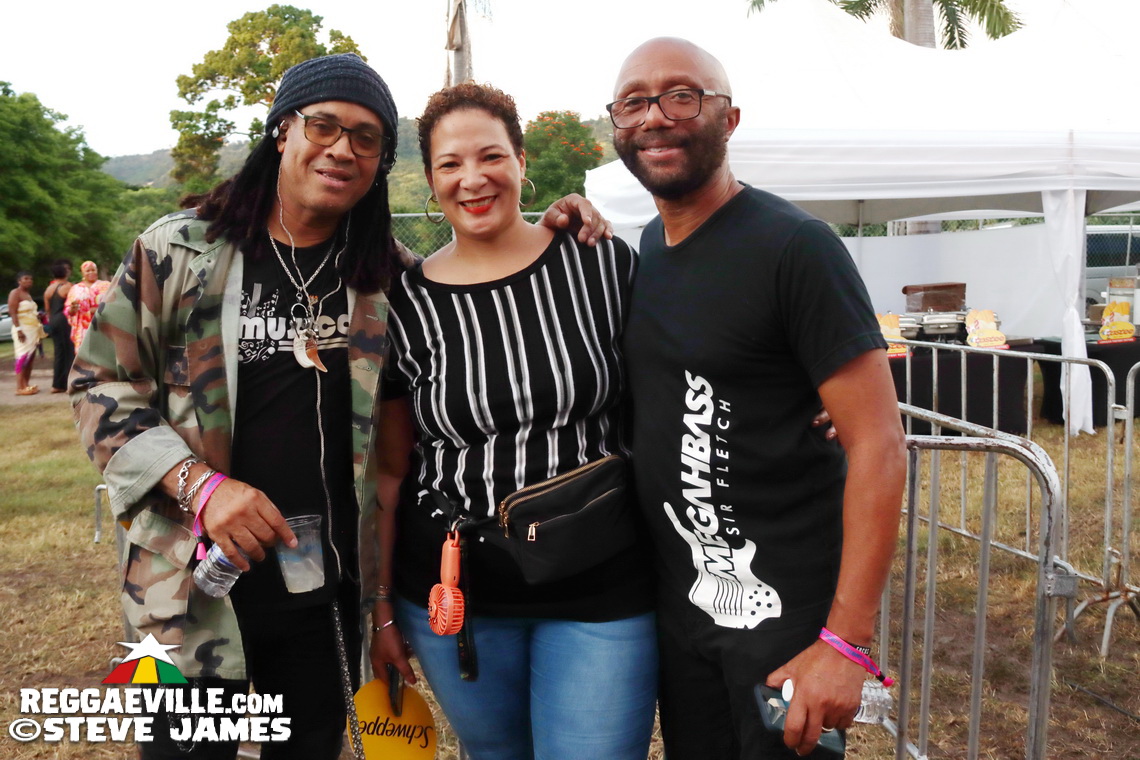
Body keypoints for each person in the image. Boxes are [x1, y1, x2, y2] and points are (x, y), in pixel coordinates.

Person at [71, 54, 608, 760]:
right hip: (188, 590)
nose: (342, 149)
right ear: (281, 132)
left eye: (366, 138)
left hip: (321, 596)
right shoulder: (181, 252)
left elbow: (478, 288)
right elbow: (99, 382)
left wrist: (559, 228)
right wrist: (199, 487)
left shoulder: (388, 279)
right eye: (323, 126)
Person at [609, 38, 907, 759]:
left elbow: (878, 443)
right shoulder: (643, 250)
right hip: (684, 621)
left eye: (684, 95)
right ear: (616, 125)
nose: (657, 116)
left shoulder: (796, 247)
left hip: (789, 624)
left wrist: (846, 642)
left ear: (729, 118)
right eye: (635, 101)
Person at [370, 83, 657, 760]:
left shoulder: (598, 262)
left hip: (602, 579)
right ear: (430, 178)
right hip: (457, 593)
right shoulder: (404, 306)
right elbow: (389, 471)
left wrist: (798, 398)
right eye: (450, 164)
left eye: (490, 155)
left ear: (521, 161)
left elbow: (684, 368)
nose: (473, 178)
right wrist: (381, 606)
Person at [9, 271, 45, 396]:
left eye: (30, 279)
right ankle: (19, 386)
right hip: (22, 330)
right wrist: (19, 329)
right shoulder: (15, 293)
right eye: (26, 278)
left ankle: (26, 384)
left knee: (30, 358)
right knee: (22, 357)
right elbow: (13, 312)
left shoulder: (28, 295)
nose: (29, 281)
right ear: (19, 281)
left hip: (33, 330)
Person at [42, 259, 74, 393]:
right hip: (64, 319)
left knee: (59, 352)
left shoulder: (48, 289)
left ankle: (57, 384)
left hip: (53, 320)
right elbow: (72, 305)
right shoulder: (68, 286)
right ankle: (69, 384)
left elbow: (47, 309)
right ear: (66, 272)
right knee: (69, 351)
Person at [64, 260, 109, 350]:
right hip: (83, 327)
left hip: (103, 324)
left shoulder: (106, 285)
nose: (91, 272)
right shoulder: (75, 289)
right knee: (85, 353)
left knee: (102, 352)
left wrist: (96, 310)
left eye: (93, 270)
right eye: (87, 270)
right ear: (82, 273)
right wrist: (72, 309)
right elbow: (68, 309)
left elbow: (114, 303)